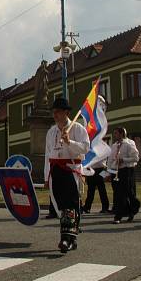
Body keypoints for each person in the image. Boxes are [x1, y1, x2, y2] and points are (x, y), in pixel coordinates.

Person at [44, 97, 90, 253]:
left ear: (66, 112)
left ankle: (66, 239)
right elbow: (47, 155)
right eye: (54, 112)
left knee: (70, 205)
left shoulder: (77, 128)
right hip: (56, 169)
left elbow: (85, 148)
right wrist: (46, 176)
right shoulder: (51, 131)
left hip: (71, 170)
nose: (55, 114)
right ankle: (71, 238)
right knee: (61, 205)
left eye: (58, 111)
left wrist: (70, 142)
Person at [105, 127, 140, 224]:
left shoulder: (129, 144)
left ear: (121, 134)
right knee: (118, 194)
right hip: (115, 171)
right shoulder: (114, 145)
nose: (114, 135)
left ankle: (132, 211)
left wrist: (123, 160)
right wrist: (108, 172)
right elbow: (110, 160)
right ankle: (118, 216)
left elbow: (136, 158)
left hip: (126, 171)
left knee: (129, 193)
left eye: (116, 133)